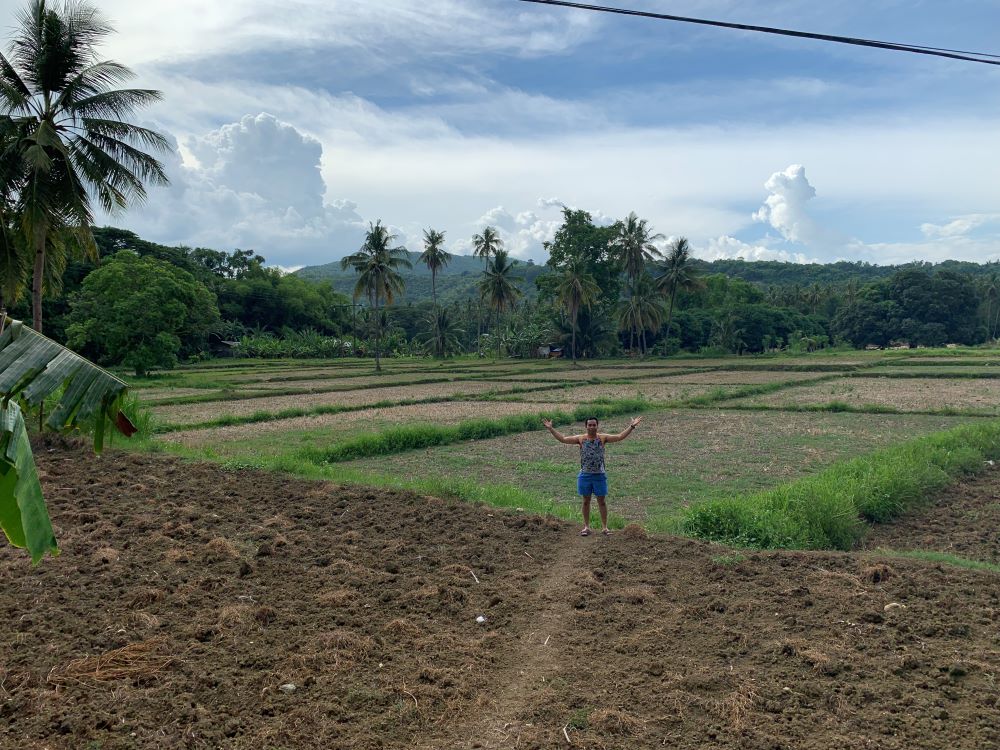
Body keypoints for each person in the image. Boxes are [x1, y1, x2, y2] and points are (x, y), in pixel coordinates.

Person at [541, 415, 642, 536]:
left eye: (594, 425)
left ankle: (605, 528)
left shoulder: (603, 438)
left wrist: (631, 427)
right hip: (585, 475)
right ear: (586, 426)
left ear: (597, 426)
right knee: (585, 501)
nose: (592, 427)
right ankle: (586, 527)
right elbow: (563, 439)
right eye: (590, 425)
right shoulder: (581, 439)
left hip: (599, 475)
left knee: (602, 502)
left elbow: (620, 436)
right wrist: (551, 429)